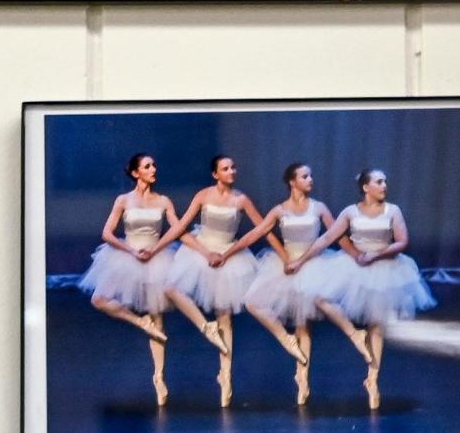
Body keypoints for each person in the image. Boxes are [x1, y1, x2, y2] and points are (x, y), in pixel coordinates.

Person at [288, 167, 436, 410]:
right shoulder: (350, 212)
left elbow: (402, 241)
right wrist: (300, 260)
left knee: (377, 325)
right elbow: (326, 239)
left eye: (385, 181)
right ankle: (353, 333)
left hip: (385, 268)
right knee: (319, 297)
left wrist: (376, 254)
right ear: (366, 187)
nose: (384, 185)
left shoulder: (393, 210)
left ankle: (373, 380)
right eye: (379, 182)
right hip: (353, 266)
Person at [219, 160, 358, 405]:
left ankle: (302, 379)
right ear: (292, 182)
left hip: (313, 264)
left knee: (304, 323)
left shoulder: (319, 207)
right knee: (253, 302)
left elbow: (337, 236)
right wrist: (227, 253)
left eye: (311, 176)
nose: (310, 180)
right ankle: (285, 338)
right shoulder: (279, 210)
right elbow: (255, 234)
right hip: (286, 264)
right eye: (305, 176)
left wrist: (359, 256)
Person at [158, 154, 281, 407]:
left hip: (230, 255)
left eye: (233, 167)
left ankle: (225, 375)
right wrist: (205, 253)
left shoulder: (241, 199)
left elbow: (263, 227)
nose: (231, 171)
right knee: (171, 288)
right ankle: (206, 327)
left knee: (225, 315)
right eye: (226, 168)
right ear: (215, 174)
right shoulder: (203, 195)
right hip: (202, 251)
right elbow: (181, 228)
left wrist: (282, 253)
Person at [75, 153, 180, 406]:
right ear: (135, 173)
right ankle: (138, 321)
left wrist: (155, 249)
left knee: (158, 317)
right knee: (99, 299)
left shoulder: (163, 200)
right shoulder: (123, 200)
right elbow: (107, 233)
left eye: (154, 165)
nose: (153, 168)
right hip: (128, 255)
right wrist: (132, 251)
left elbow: (177, 227)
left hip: (156, 256)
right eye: (147, 166)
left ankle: (159, 377)